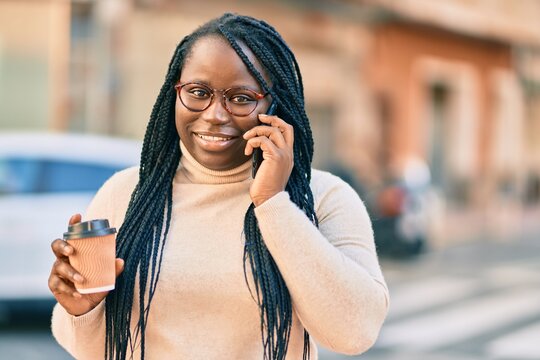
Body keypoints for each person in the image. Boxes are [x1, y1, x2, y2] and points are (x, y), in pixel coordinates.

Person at [48, 13, 389, 360]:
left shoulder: (323, 198)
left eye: (241, 98)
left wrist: (273, 203)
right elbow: (91, 349)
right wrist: (81, 310)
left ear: (275, 105)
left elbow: (355, 333)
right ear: (174, 94)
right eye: (198, 92)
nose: (214, 114)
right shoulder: (126, 194)